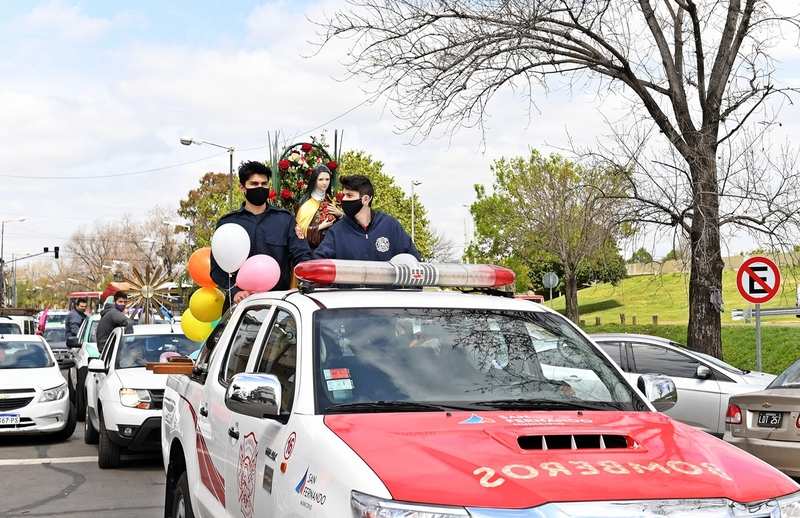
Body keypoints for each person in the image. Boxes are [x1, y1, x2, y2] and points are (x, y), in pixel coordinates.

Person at [210, 161, 312, 306]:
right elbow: (216, 269)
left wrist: (305, 284)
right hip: (239, 307)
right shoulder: (227, 224)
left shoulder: (285, 219)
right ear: (242, 187)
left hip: (277, 307)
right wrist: (235, 291)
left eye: (264, 184)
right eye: (254, 184)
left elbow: (302, 256)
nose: (260, 188)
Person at [313, 174, 421, 261]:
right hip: (347, 289)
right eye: (344, 195)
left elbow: (413, 260)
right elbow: (317, 263)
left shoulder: (390, 226)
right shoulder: (337, 231)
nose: (344, 200)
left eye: (349, 196)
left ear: (365, 200)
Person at [294, 165, 343, 249]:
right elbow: (299, 231)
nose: (324, 183)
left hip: (331, 248)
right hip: (311, 250)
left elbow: (343, 227)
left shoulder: (332, 200)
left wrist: (340, 215)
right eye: (321, 179)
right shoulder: (306, 203)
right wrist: (320, 227)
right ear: (314, 180)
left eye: (327, 179)